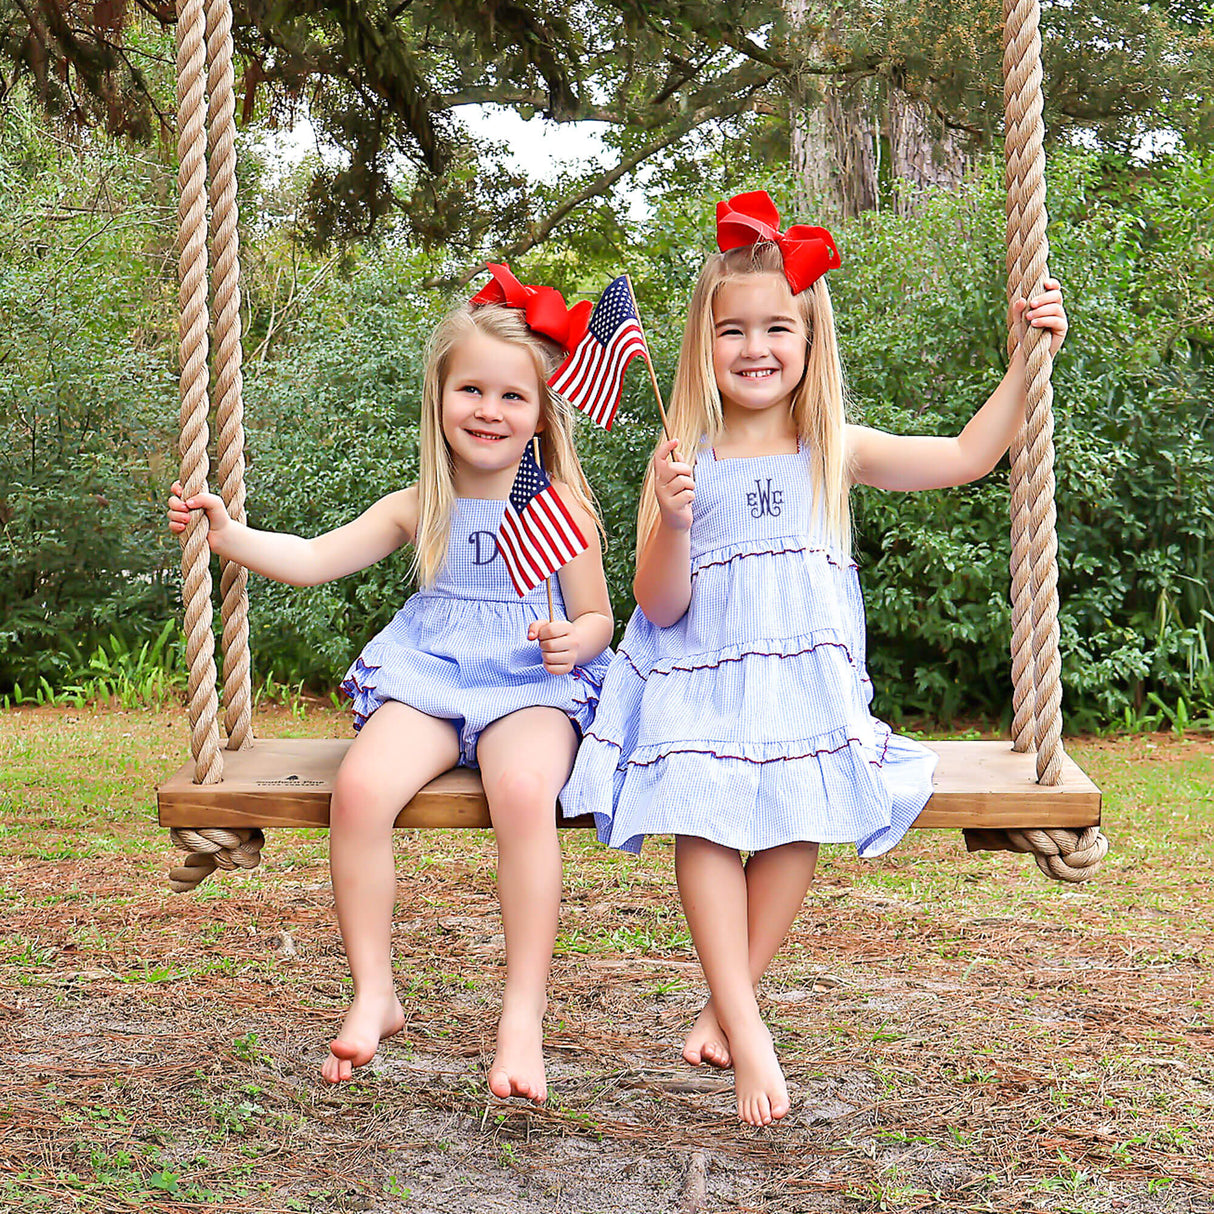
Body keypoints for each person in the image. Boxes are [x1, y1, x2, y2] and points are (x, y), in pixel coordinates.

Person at [562, 190, 1068, 1127]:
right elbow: (660, 602)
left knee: (799, 813)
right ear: (702, 345)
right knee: (704, 821)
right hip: (701, 684)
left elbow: (964, 456)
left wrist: (1029, 356)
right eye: (733, 331)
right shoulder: (685, 458)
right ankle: (749, 1032)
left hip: (803, 693)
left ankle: (728, 1002)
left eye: (777, 329)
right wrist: (671, 517)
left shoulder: (831, 448)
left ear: (808, 339)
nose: (756, 348)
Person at [168, 265, 614, 1101]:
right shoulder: (418, 505)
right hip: (435, 672)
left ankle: (522, 1017)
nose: (489, 409)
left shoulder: (563, 508)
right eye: (471, 389)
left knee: (523, 792)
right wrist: (230, 535)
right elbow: (309, 562)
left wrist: (573, 638)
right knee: (363, 788)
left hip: (528, 684)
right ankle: (376, 989)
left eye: (514, 397)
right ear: (440, 397)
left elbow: (599, 618)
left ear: (543, 414)